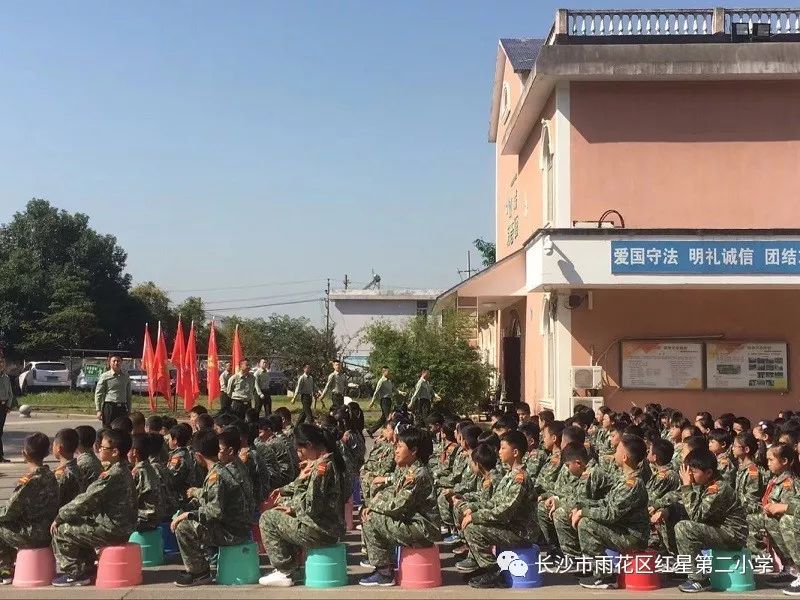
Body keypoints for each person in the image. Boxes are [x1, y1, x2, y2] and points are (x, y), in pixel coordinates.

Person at [259, 423, 346, 587]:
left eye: (300, 451)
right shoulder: (327, 462)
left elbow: (310, 507)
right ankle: (292, 569)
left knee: (268, 519)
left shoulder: (322, 468)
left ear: (309, 445)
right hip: (328, 526)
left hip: (321, 530)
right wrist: (291, 508)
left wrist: (299, 482)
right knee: (282, 514)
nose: (299, 456)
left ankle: (285, 571)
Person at [51, 428, 137, 586]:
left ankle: (74, 573)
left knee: (62, 530)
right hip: (123, 526)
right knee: (81, 524)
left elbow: (86, 499)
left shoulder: (112, 475)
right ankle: (88, 566)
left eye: (103, 448)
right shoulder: (124, 469)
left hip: (113, 529)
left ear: (115, 452)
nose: (99, 450)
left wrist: (60, 516)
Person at [359, 426, 441, 587]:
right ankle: (384, 567)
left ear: (414, 450)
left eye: (400, 447)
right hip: (413, 523)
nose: (395, 451)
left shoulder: (417, 474)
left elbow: (398, 505)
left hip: (423, 529)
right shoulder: (407, 469)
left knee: (371, 519)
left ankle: (384, 572)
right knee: (371, 514)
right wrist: (373, 504)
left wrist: (373, 506)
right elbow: (390, 491)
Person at [171, 430, 250, 587]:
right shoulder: (223, 469)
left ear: (199, 455)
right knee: (186, 515)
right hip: (236, 526)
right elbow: (210, 499)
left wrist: (187, 515)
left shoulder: (217, 475)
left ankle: (199, 573)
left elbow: (214, 512)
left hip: (232, 532)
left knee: (183, 527)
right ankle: (201, 566)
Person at [574, 434, 650, 590]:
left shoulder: (632, 484)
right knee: (584, 518)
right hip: (622, 530)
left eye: (617, 450)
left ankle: (605, 577)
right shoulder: (625, 479)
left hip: (633, 537)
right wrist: (581, 505)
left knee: (586, 524)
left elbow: (611, 514)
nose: (613, 453)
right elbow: (606, 502)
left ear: (624, 457)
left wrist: (584, 513)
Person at [459, 430, 533, 589]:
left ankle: (493, 572)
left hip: (520, 532)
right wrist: (473, 510)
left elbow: (504, 510)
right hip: (508, 527)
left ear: (515, 452)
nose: (499, 452)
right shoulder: (509, 475)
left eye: (503, 448)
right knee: (471, 522)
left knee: (473, 529)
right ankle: (484, 567)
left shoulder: (520, 478)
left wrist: (475, 517)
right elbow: (494, 502)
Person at [673, 447, 748, 593]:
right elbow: (680, 498)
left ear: (708, 473)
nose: (690, 476)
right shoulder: (705, 484)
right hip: (719, 530)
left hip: (733, 535)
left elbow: (696, 515)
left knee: (683, 528)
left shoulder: (718, 488)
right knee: (674, 514)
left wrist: (687, 485)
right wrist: (661, 507)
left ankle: (699, 579)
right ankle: (691, 569)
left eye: (694, 472)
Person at [0, 432, 59, 584]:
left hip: (33, 534)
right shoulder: (52, 476)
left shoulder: (29, 482)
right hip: (48, 530)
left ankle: (4, 569)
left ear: (24, 454)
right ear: (46, 453)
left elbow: (8, 512)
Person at [129, 434, 165, 532]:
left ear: (134, 452)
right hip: (156, 518)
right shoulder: (151, 468)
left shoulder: (137, 472)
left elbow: (127, 499)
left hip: (143, 519)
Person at [94, 356, 132, 427]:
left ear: (121, 362)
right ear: (110, 363)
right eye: (114, 361)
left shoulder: (126, 376)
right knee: (108, 430)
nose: (116, 363)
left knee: (122, 430)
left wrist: (129, 410)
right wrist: (98, 410)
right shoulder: (105, 376)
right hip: (109, 407)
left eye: (118, 361)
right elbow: (98, 394)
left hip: (122, 408)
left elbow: (128, 395)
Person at [53, 429, 84, 507]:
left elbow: (53, 502)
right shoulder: (79, 469)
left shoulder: (61, 474)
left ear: (59, 448)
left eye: (53, 445)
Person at [368, 367, 394, 436]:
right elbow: (376, 392)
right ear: (384, 372)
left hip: (389, 400)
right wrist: (372, 402)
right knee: (388, 418)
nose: (389, 373)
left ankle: (371, 430)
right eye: (388, 372)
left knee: (383, 418)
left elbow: (394, 389)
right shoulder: (381, 381)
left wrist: (401, 392)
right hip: (384, 401)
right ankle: (387, 434)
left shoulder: (389, 381)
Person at [0, 358, 14, 463]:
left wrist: (8, 406)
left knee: (0, 431)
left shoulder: (6, 377)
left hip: (3, 407)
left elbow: (10, 393)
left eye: (2, 363)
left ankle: (1, 456)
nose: (1, 365)